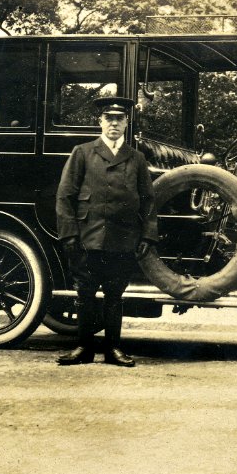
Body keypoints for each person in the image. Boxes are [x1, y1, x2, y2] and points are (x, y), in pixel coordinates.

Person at [55, 95, 158, 367]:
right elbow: (65, 196)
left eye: (119, 119)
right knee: (85, 294)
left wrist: (147, 235)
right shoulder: (83, 152)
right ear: (100, 122)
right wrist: (69, 234)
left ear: (126, 123)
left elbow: (148, 201)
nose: (114, 123)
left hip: (123, 239)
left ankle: (113, 349)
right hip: (87, 237)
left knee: (115, 295)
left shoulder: (136, 158)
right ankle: (84, 348)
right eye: (109, 118)